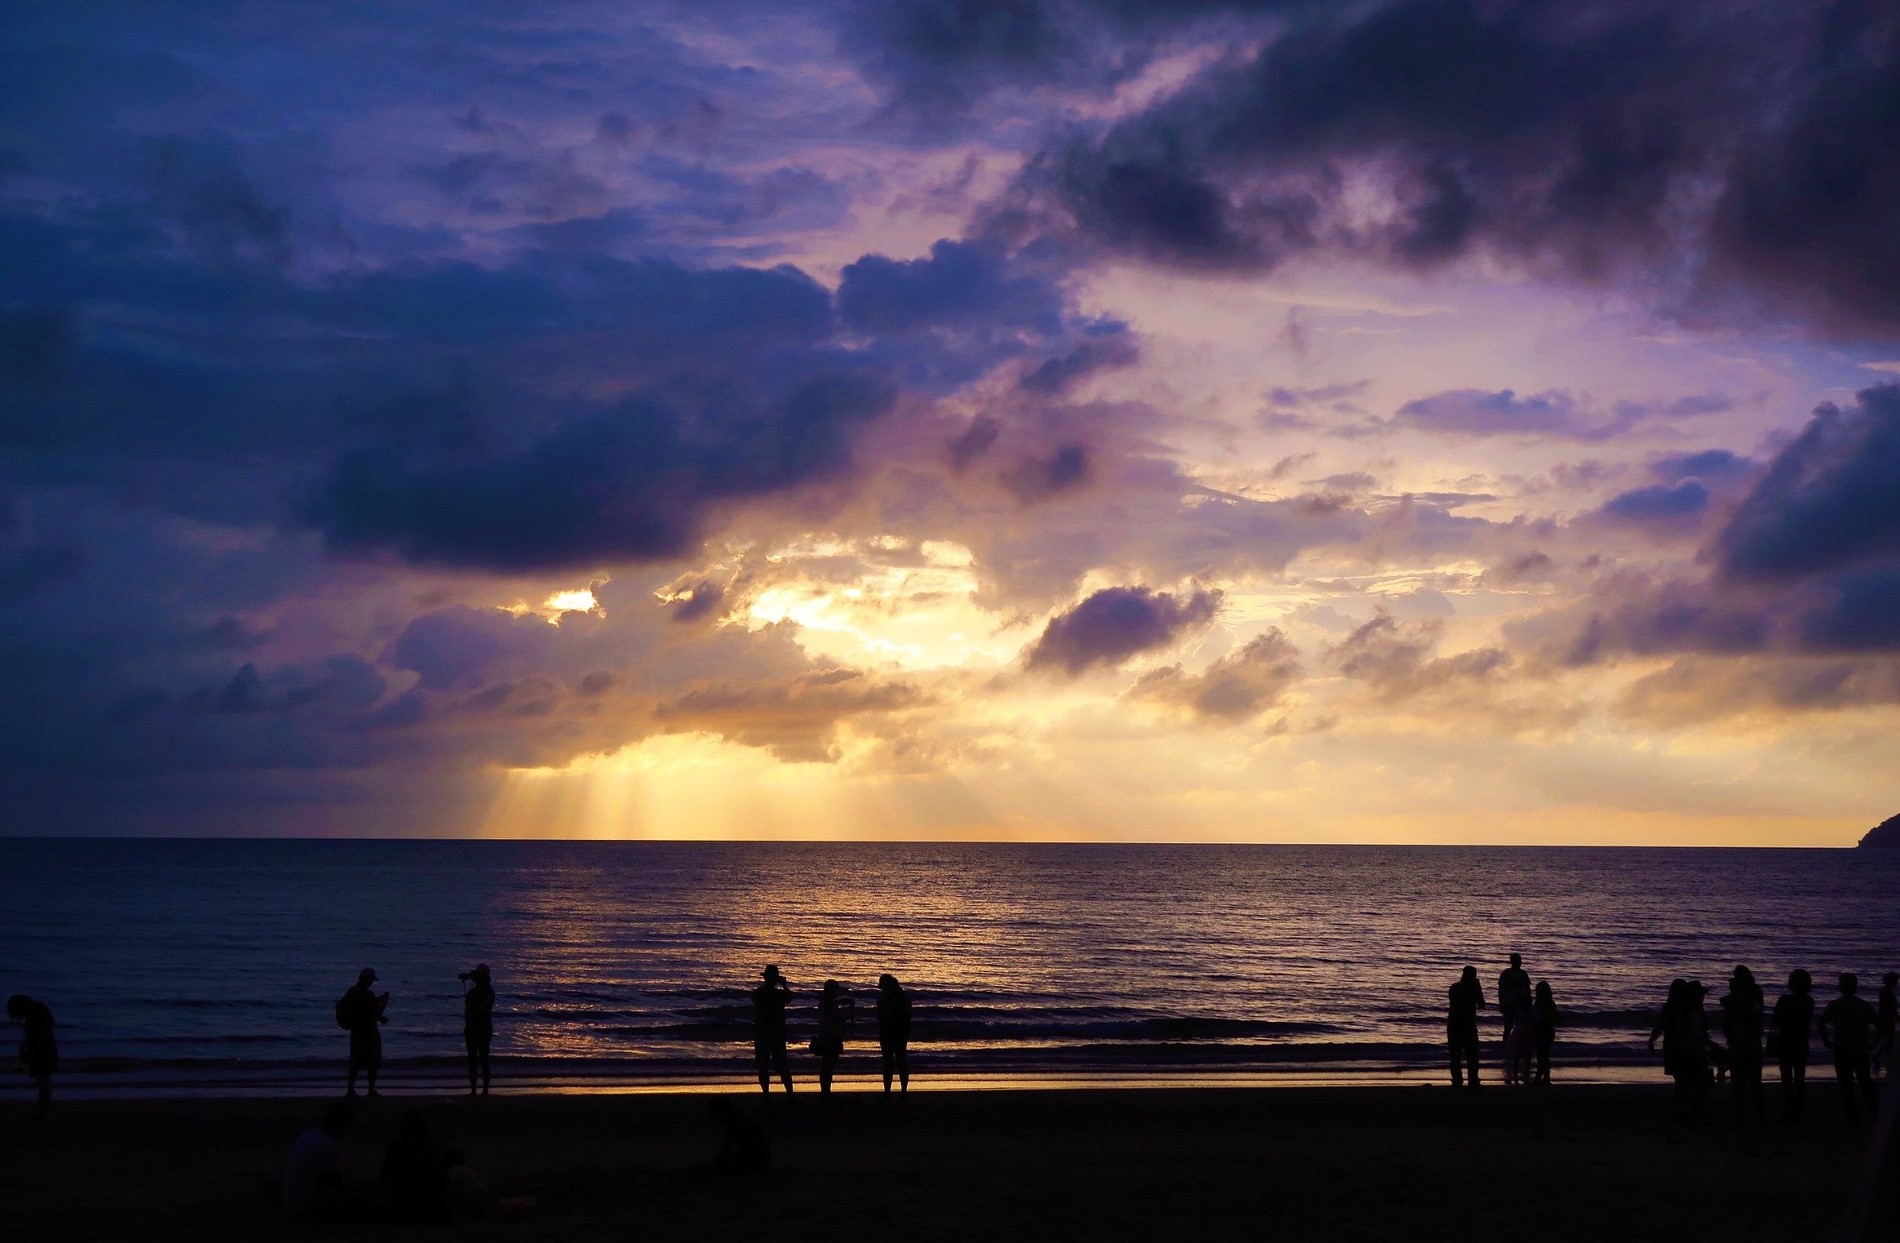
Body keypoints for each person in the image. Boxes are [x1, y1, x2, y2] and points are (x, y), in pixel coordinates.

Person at [1818, 972, 1880, 1124]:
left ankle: (1852, 1117)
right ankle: (1875, 1112)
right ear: (1855, 987)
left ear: (1840, 987)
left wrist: (1826, 1040)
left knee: (1846, 1084)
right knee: (1865, 1081)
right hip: (1860, 1049)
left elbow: (1821, 1023)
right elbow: (1878, 1025)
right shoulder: (1864, 1005)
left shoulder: (1835, 1004)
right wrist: (1873, 1042)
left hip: (1842, 1049)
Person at [282, 1101, 355, 1220]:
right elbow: (336, 1185)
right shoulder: (327, 1144)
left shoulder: (308, 1135)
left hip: (291, 1203)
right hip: (304, 1209)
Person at [1650, 978, 1709, 1120]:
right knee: (1687, 1080)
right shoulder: (1689, 1009)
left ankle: (1682, 1108)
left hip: (1676, 1048)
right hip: (1683, 1048)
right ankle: (1686, 1109)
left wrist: (1652, 1039)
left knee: (1683, 1080)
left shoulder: (1677, 1008)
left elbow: (1660, 1025)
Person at [382, 1111, 450, 1225]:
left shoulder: (396, 1148)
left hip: (406, 1206)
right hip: (434, 1208)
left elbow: (385, 1176)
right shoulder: (433, 1148)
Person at [1720, 965, 1766, 1127]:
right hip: (1748, 1043)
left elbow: (1726, 1024)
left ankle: (1743, 1116)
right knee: (1752, 1081)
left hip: (1741, 1043)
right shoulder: (1754, 997)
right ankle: (1756, 1115)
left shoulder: (1737, 1000)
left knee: (1740, 1082)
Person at [1771, 969, 1815, 1126]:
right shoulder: (1809, 1001)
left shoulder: (1784, 1000)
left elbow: (1775, 1020)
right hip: (1801, 1042)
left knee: (1787, 1079)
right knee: (1799, 1078)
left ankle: (1788, 1110)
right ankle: (1797, 1112)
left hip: (1786, 1042)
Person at [338, 968, 389, 1097]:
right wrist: (385, 1002)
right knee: (372, 1063)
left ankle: (350, 1090)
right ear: (368, 980)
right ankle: (371, 1091)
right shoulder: (368, 995)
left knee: (354, 1062)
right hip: (370, 1033)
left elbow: (364, 1005)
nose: (372, 982)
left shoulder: (352, 992)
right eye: (371, 980)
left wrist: (379, 999)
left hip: (356, 1032)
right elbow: (376, 1013)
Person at [6, 994, 57, 1120]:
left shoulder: (35, 1017)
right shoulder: (38, 1013)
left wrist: (25, 1053)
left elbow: (35, 1038)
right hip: (45, 1051)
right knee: (44, 1081)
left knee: (43, 1081)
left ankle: (42, 1113)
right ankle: (42, 1112)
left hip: (42, 1053)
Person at [752, 965, 793, 1094]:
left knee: (763, 1066)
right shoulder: (779, 994)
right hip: (776, 1032)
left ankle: (766, 1095)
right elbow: (790, 997)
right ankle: (790, 1095)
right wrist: (784, 985)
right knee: (782, 1066)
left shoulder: (758, 993)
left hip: (762, 1032)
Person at [708, 1098, 771, 1173]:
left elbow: (747, 1149)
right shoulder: (739, 1118)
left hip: (757, 1159)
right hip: (760, 1157)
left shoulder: (738, 1123)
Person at [814, 978, 855, 1094]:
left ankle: (825, 1091)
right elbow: (837, 1019)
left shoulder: (824, 1002)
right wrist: (848, 1014)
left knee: (827, 1065)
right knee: (829, 1065)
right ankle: (826, 1092)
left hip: (825, 1035)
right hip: (831, 1037)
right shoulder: (829, 1003)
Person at [1447, 966, 1485, 1088]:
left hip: (1454, 1024)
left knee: (1455, 1055)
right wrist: (1478, 988)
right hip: (1467, 1024)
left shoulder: (1454, 987)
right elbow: (1482, 1005)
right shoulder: (1472, 989)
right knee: (1472, 1054)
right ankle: (1472, 1079)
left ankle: (1457, 1080)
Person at [461, 964, 494, 1097]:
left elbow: (482, 1009)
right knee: (472, 1060)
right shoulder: (473, 992)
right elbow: (467, 1012)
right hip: (473, 1029)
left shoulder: (489, 993)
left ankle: (485, 1089)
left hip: (482, 1029)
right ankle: (474, 1089)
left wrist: (472, 1018)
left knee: (483, 1059)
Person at [876, 973, 913, 1094]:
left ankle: (892, 1092)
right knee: (899, 1062)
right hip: (897, 1032)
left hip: (891, 1032)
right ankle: (900, 1092)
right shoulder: (902, 996)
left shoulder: (891, 997)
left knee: (890, 1063)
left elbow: (880, 1014)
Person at [1530, 980, 1559, 1086]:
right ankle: (1544, 1077)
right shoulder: (1540, 1002)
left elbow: (1547, 1018)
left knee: (1543, 1055)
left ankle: (1543, 1077)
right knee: (1542, 1055)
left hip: (1544, 1031)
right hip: (1540, 1031)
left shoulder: (1548, 1003)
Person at [1498, 953, 1532, 1042]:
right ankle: (1506, 1047)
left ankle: (1517, 1048)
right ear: (1512, 962)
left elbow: (1528, 990)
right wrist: (1501, 1003)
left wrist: (1529, 1004)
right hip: (1509, 1004)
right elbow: (1500, 990)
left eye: (1519, 961)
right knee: (1508, 1028)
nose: (1518, 963)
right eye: (1516, 961)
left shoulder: (1523, 974)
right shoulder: (1506, 973)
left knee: (1520, 1028)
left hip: (1521, 1005)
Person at [1875, 972, 1898, 1078]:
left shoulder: (1885, 991)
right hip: (1887, 1018)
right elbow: (1888, 1007)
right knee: (1889, 1039)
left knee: (1888, 1039)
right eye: (1896, 980)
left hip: (1886, 1017)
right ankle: (1882, 1058)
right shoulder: (1887, 992)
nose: (1897, 982)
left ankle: (1882, 1057)